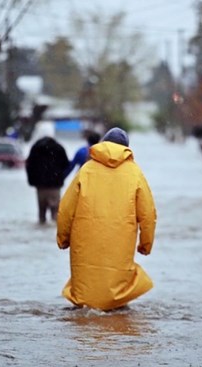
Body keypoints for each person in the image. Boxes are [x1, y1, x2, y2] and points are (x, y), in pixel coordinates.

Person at [56, 127, 157, 311]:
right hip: (120, 240)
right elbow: (148, 213)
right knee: (118, 287)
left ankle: (83, 317)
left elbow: (65, 209)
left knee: (86, 289)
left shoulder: (86, 170)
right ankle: (115, 313)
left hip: (86, 240)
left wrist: (63, 239)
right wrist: (145, 244)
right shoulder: (134, 173)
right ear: (126, 147)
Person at [25, 135, 69, 224]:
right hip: (55, 186)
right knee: (55, 213)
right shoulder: (59, 148)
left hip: (40, 186)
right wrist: (60, 177)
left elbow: (29, 165)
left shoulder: (36, 148)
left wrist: (32, 181)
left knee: (42, 213)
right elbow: (66, 164)